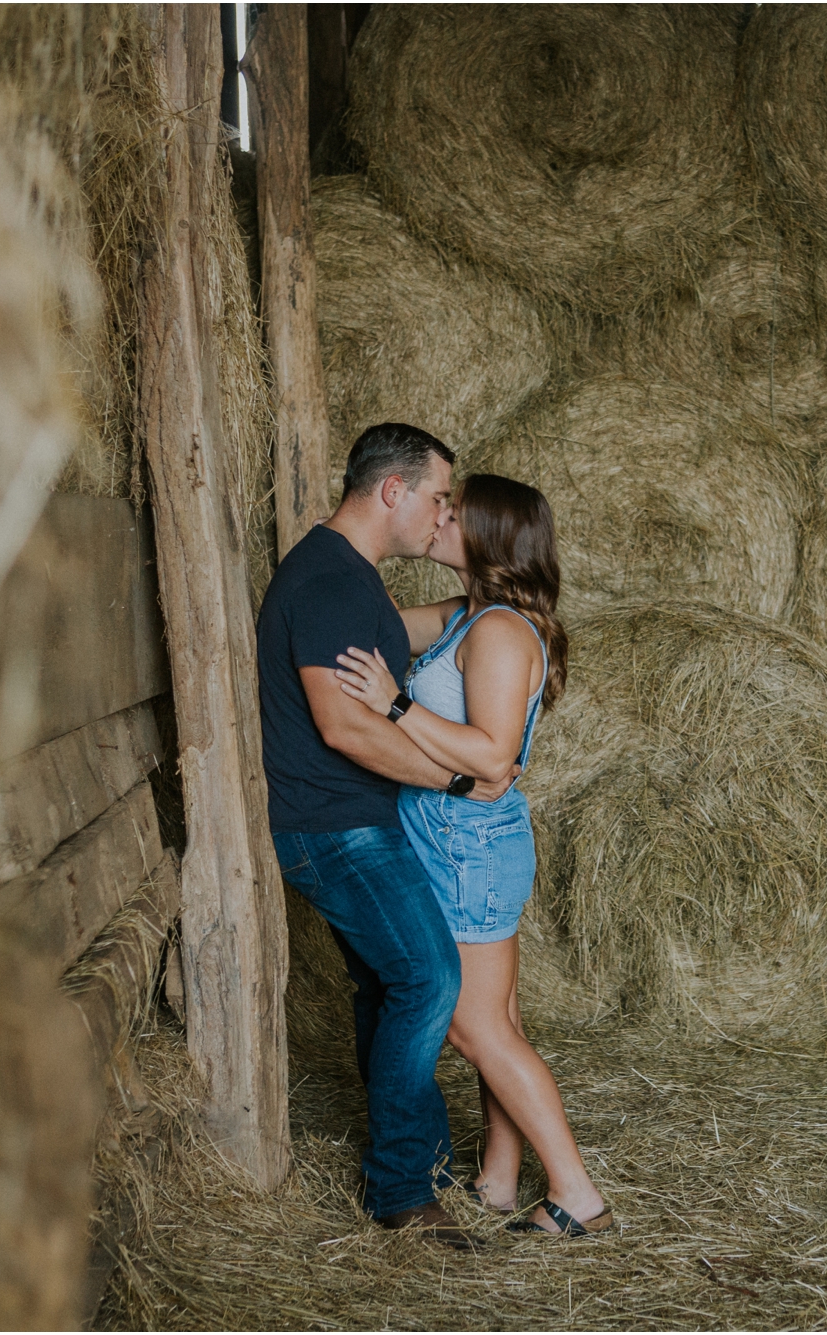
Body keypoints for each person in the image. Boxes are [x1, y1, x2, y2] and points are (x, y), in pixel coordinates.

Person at [331, 473, 613, 1238]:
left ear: (490, 535)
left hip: (469, 847)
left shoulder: (497, 632)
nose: (441, 516)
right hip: (467, 841)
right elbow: (381, 617)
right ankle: (497, 1177)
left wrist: (395, 703)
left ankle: (576, 1192)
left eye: (455, 512)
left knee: (473, 1026)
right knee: (500, 1017)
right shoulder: (472, 613)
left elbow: (490, 755)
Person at [256, 423, 517, 1250]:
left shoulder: (350, 578)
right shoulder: (329, 582)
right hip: (334, 828)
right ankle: (403, 1188)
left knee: (385, 986)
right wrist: (456, 780)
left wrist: (497, 588)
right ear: (393, 492)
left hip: (357, 821)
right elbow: (344, 726)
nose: (444, 514)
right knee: (429, 977)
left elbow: (434, 624)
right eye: (439, 496)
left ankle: (416, 1160)